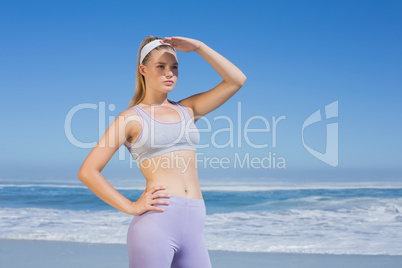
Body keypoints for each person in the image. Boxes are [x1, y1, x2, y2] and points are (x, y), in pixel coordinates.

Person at [78, 35, 246, 268]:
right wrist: (130, 206)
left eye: (175, 67)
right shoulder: (131, 118)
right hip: (156, 223)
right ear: (143, 69)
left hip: (195, 226)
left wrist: (200, 47)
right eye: (161, 66)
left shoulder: (188, 110)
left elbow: (236, 80)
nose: (170, 73)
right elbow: (88, 171)